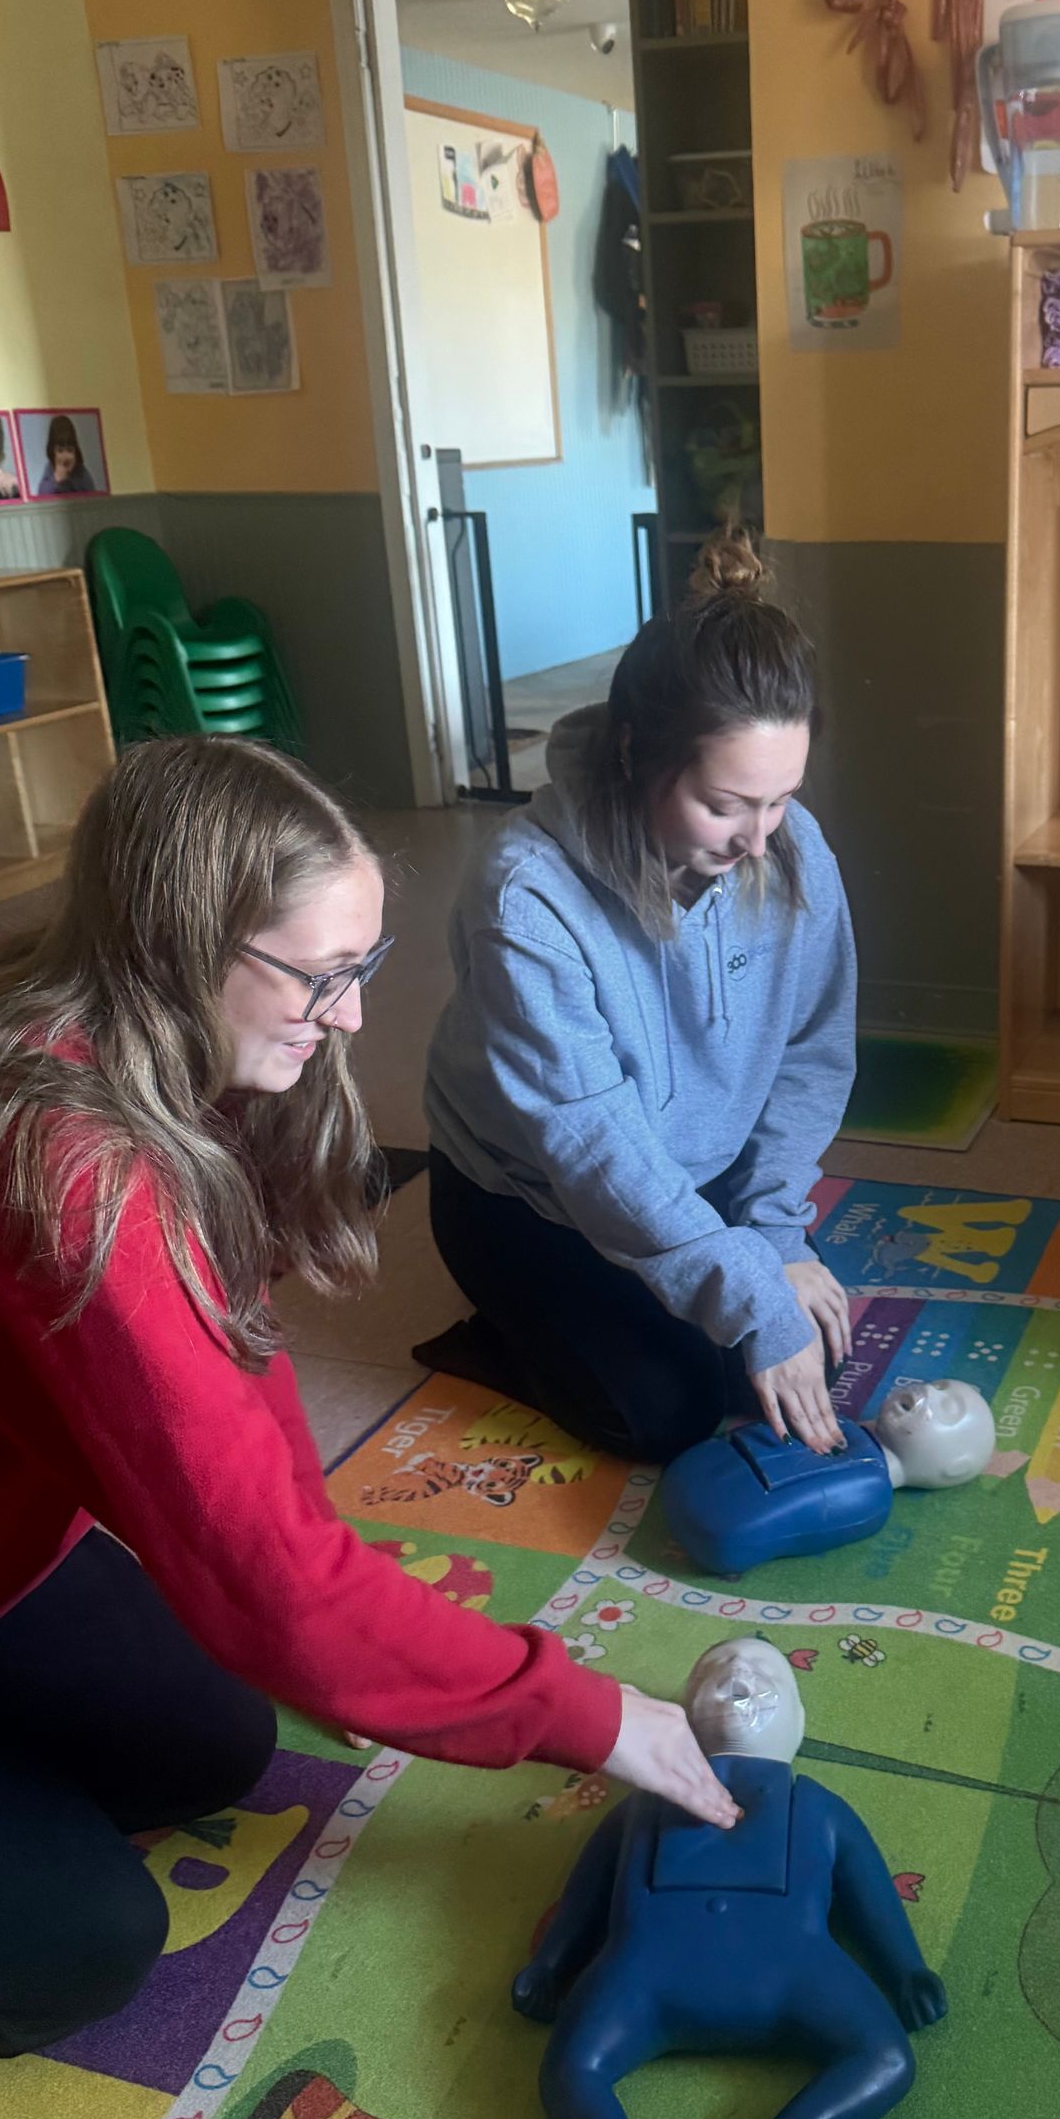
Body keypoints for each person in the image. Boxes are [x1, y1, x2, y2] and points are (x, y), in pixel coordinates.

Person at [0, 738, 735, 2061]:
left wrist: (320, 1622)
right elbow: (267, 1579)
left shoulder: (115, 1027)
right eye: (322, 974)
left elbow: (231, 1389)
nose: (352, 1016)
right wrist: (585, 1713)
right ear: (178, 944)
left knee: (217, 1738)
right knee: (74, 1948)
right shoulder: (74, 1172)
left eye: (365, 965)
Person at [422, 531, 857, 1467]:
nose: (758, 838)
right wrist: (745, 1299)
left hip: (689, 1168)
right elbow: (592, 1146)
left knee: (794, 1342)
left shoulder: (794, 849)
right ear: (634, 751)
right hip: (531, 1194)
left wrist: (776, 1235)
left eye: (779, 800)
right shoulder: (525, 899)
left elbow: (811, 1053)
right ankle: (497, 1330)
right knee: (669, 1415)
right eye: (726, 803)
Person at [35, 413, 101, 499]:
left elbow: (93, 496)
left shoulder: (81, 472)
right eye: (60, 451)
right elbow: (41, 495)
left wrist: (71, 479)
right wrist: (56, 479)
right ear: (53, 452)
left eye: (70, 450)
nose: (65, 456)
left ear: (75, 451)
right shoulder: (50, 469)